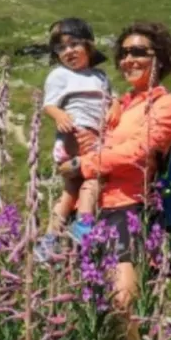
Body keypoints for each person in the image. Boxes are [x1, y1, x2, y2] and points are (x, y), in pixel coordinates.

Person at [60, 21, 171, 340]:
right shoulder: (119, 105)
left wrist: (86, 163)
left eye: (138, 52)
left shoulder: (166, 104)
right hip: (98, 212)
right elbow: (103, 148)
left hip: (135, 210)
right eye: (124, 52)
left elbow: (141, 152)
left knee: (125, 307)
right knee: (104, 314)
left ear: (159, 58)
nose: (128, 59)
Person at [36, 17, 110, 257]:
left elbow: (109, 102)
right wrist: (59, 116)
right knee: (93, 180)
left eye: (74, 44)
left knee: (69, 192)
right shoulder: (59, 75)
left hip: (95, 137)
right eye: (61, 48)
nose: (68, 51)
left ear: (89, 45)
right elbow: (49, 104)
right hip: (74, 136)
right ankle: (84, 226)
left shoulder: (100, 77)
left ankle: (50, 237)